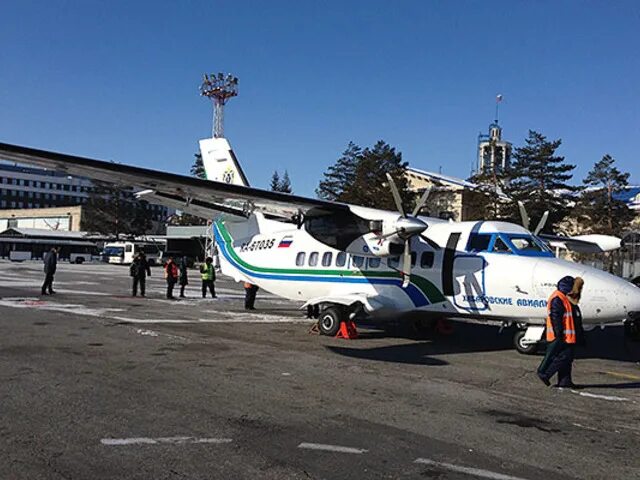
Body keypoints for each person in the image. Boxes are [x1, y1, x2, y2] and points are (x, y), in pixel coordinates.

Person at [537, 276, 580, 388]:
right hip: (561, 335)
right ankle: (546, 374)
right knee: (564, 357)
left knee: (567, 358)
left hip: (567, 335)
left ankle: (565, 381)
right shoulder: (558, 298)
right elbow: (555, 316)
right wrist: (559, 333)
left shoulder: (563, 297)